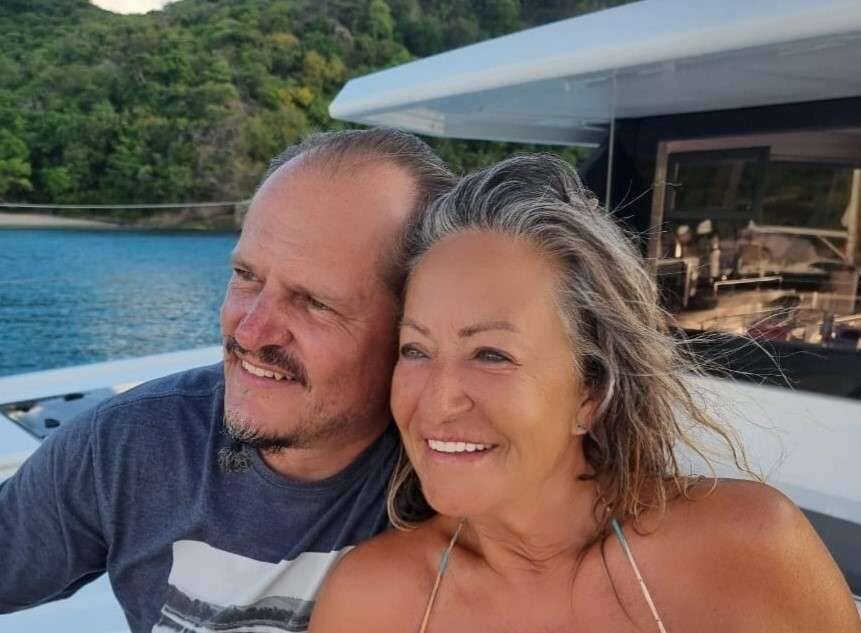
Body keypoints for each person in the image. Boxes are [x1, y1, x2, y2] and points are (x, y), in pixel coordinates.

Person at [310, 154, 860, 633]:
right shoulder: (374, 601)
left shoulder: (746, 549)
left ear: (591, 392)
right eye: (415, 350)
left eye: (491, 354)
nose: (437, 400)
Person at [0, 128, 455, 632]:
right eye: (246, 276)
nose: (251, 331)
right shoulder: (130, 445)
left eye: (314, 302)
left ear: (415, 328)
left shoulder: (459, 476)